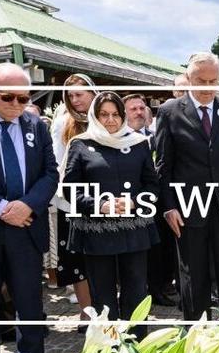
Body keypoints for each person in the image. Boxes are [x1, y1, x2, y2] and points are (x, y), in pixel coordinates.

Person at [156, 52, 219, 320]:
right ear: (189, 79)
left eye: (214, 81)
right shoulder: (169, 113)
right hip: (188, 211)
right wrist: (169, 207)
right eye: (202, 81)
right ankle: (197, 335)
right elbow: (163, 166)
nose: (208, 88)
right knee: (193, 278)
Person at [61, 92, 157, 339]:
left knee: (136, 293)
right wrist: (100, 204)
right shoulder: (80, 144)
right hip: (96, 234)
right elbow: (71, 189)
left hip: (134, 231)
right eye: (104, 114)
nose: (111, 120)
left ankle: (137, 346)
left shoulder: (138, 143)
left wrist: (134, 202)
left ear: (123, 116)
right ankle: (109, 349)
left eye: (115, 114)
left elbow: (152, 185)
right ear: (95, 116)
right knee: (103, 297)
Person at [0, 63, 59, 353]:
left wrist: (27, 206)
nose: (17, 104)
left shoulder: (36, 126)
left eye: (24, 98)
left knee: (30, 304)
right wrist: (2, 208)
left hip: (27, 228)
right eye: (9, 97)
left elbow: (50, 173)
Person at [51, 74, 95, 331]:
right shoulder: (62, 123)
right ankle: (86, 313)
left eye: (80, 94)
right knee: (78, 262)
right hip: (71, 202)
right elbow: (58, 163)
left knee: (103, 259)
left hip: (102, 200)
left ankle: (107, 309)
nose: (75, 99)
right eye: (70, 96)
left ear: (92, 92)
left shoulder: (105, 117)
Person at [123, 93, 176, 307]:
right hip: (130, 204)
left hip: (157, 202)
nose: (139, 112)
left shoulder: (155, 136)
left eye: (141, 108)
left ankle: (158, 289)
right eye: (133, 109)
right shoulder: (119, 139)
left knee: (158, 249)